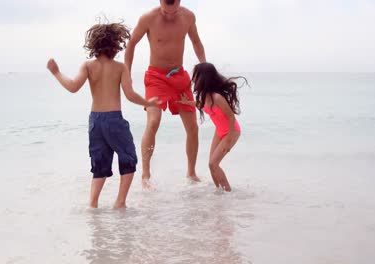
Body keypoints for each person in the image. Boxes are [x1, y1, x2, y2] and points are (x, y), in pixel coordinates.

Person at [47, 21, 158, 208]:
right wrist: (148, 103)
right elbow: (130, 95)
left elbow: (73, 87)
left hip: (95, 121)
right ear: (116, 45)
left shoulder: (88, 66)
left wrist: (57, 72)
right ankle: (120, 202)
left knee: (99, 164)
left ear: (94, 45)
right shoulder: (120, 67)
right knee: (128, 158)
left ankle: (92, 204)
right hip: (114, 119)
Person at [124, 0, 206, 190]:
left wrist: (205, 70)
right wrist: (126, 75)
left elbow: (196, 42)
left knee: (193, 126)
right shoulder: (148, 18)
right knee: (153, 122)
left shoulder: (188, 17)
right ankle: (145, 175)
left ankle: (191, 173)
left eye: (174, 9)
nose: (170, 15)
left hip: (179, 76)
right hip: (156, 78)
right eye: (166, 10)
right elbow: (131, 45)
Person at [179, 62, 247, 191]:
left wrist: (228, 138)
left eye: (195, 76)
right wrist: (187, 102)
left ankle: (228, 192)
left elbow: (231, 117)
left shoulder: (217, 97)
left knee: (213, 163)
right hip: (220, 131)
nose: (193, 79)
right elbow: (201, 104)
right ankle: (219, 192)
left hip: (231, 132)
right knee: (211, 165)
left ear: (203, 77)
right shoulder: (206, 96)